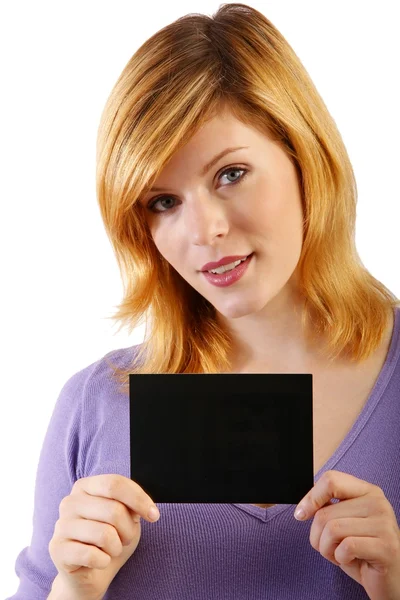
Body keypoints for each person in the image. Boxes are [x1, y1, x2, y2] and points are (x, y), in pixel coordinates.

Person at [7, 3, 400, 600]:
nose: (203, 231)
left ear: (305, 157)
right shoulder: (96, 405)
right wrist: (74, 590)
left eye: (231, 173)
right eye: (162, 201)